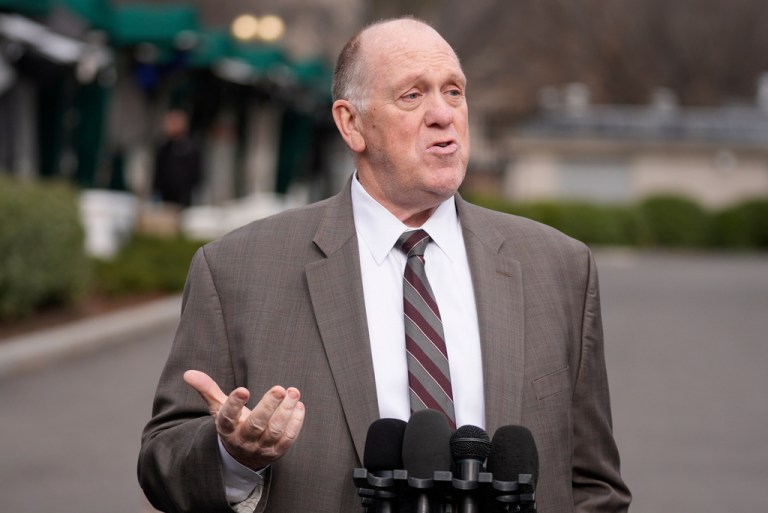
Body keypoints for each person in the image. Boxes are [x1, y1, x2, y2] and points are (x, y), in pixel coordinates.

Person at [138, 17, 631, 513]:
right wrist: (233, 457)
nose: (443, 114)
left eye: (454, 91)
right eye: (412, 96)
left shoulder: (560, 267)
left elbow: (594, 486)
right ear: (352, 124)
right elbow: (164, 462)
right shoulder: (235, 270)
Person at [152, 109, 202, 208]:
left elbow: (195, 176)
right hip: (165, 199)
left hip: (184, 200)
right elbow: (158, 174)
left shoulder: (190, 148)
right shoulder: (163, 147)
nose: (171, 125)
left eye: (175, 122)